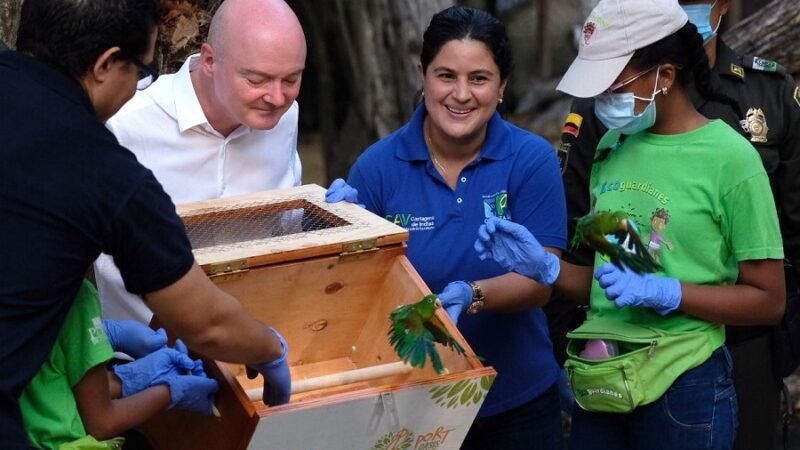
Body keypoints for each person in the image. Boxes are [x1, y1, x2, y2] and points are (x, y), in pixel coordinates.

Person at [476, 0, 786, 448]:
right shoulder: (611, 147)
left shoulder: (732, 160)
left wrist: (671, 293)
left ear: (665, 74)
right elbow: (611, 285)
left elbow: (768, 299)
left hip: (685, 388)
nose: (602, 98)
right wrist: (547, 270)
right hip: (604, 383)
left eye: (613, 84)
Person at [0, 1, 291, 446]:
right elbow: (206, 322)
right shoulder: (104, 169)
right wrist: (269, 349)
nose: (139, 87)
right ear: (105, 64)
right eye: (140, 70)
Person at [327, 6, 567, 449]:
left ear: (502, 86)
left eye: (479, 78)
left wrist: (472, 294)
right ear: (422, 74)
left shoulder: (530, 160)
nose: (461, 94)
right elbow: (357, 290)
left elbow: (541, 282)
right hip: (411, 401)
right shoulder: (378, 168)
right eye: (445, 76)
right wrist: (338, 234)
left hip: (518, 404)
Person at [96, 0, 306, 324]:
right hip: (145, 349)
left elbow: (288, 227)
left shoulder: (285, 117)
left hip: (257, 338)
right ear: (209, 60)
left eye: (291, 80)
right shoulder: (126, 123)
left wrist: (327, 214)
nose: (277, 97)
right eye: (257, 80)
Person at [19, 280, 216, 450]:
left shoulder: (14, 281)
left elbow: (50, 379)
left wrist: (122, 378)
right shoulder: (75, 295)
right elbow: (102, 423)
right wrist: (170, 391)